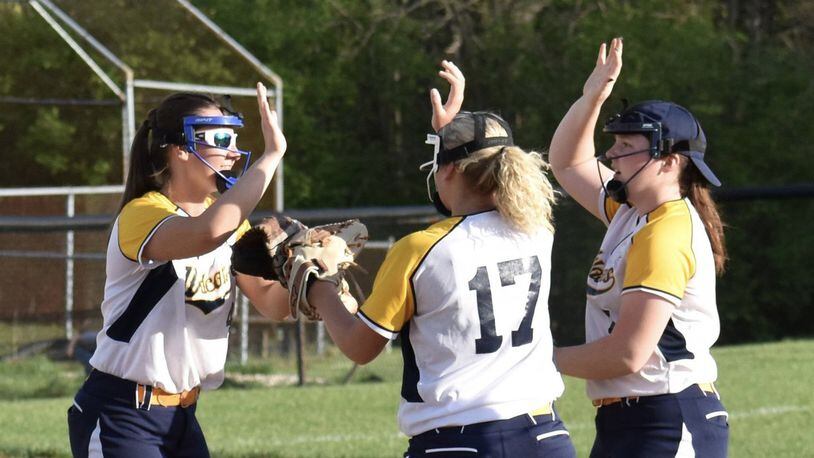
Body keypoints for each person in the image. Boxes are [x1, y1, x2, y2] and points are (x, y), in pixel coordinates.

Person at [307, 61, 576, 457]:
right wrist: (452, 135)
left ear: (448, 170)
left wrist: (320, 287)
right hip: (545, 436)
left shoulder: (418, 249)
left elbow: (359, 347)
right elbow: (470, 220)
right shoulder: (538, 230)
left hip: (457, 441)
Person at [67, 83, 290, 457]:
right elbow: (206, 233)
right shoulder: (143, 213)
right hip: (123, 413)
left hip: (182, 416)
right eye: (221, 137)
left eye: (235, 137)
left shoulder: (229, 221)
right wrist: (273, 155)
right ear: (181, 148)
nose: (234, 152)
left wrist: (309, 280)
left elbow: (272, 303)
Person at [549, 38, 729, 457]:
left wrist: (537, 358)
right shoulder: (632, 211)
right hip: (634, 419)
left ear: (670, 162)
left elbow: (628, 354)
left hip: (665, 420)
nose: (612, 156)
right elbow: (568, 163)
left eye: (627, 148)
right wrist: (591, 97)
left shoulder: (664, 232)